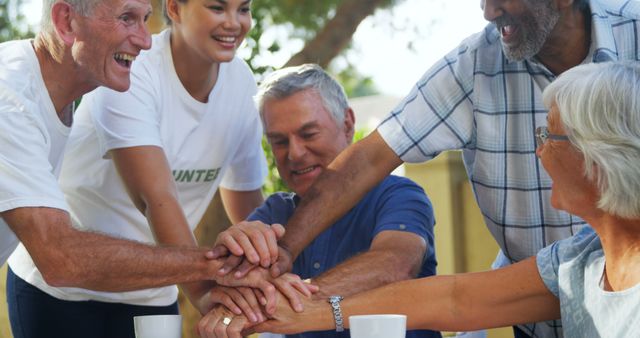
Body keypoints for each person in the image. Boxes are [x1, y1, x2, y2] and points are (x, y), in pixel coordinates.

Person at [214, 0, 640, 336]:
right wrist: (300, 309)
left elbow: (401, 268)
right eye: (279, 142)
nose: (537, 154)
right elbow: (454, 299)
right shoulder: (574, 263)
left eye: (549, 137)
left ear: (600, 158)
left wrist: (286, 305)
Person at [5, 1, 312, 338]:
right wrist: (215, 271)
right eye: (126, 18)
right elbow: (66, 252)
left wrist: (261, 271)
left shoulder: (67, 87)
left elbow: (248, 205)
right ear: (66, 22)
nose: (145, 39)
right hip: (61, 294)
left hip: (152, 289)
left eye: (145, 19)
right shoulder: (16, 98)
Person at [196, 64, 440, 338]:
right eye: (279, 141)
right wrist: (232, 280)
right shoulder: (275, 211)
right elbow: (229, 287)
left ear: (347, 124)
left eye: (308, 134)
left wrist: (289, 298)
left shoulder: (397, 194)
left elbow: (395, 264)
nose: (296, 153)